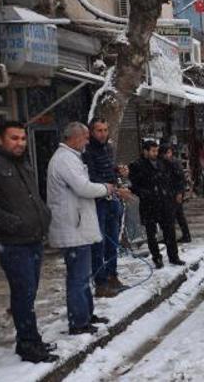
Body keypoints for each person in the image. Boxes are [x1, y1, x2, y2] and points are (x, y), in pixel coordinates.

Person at [0, 121, 59, 363]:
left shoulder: (22, 163)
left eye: (22, 138)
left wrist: (43, 214)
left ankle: (31, 339)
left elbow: (32, 197)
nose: (20, 142)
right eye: (14, 138)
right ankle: (28, 344)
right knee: (23, 293)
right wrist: (12, 223)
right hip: (12, 243)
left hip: (33, 239)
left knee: (28, 294)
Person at [47, 122, 116, 335]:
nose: (88, 142)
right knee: (78, 277)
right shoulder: (65, 160)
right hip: (72, 227)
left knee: (82, 275)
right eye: (85, 138)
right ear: (75, 138)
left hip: (78, 226)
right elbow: (83, 187)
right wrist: (106, 188)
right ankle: (79, 322)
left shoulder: (71, 158)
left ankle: (86, 314)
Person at [82, 118, 132, 298]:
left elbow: (108, 170)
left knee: (113, 241)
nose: (103, 134)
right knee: (99, 243)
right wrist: (115, 189)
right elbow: (92, 178)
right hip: (98, 202)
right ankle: (100, 282)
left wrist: (118, 170)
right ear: (91, 132)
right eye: (99, 130)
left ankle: (112, 276)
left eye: (105, 130)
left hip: (112, 200)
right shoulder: (87, 151)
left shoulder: (108, 148)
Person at [129, 140, 185, 268]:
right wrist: (146, 193)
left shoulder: (163, 163)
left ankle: (173, 256)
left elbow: (177, 177)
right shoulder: (137, 165)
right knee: (151, 233)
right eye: (153, 151)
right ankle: (157, 257)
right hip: (149, 204)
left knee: (169, 230)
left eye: (156, 150)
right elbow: (134, 185)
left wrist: (177, 192)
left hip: (165, 202)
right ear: (145, 151)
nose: (155, 153)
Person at [159, 143, 191, 244]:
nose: (167, 155)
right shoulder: (163, 163)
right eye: (166, 153)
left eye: (169, 152)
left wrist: (179, 193)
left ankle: (181, 236)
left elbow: (180, 178)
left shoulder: (173, 163)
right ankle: (181, 235)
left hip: (174, 192)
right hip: (169, 193)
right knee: (176, 215)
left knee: (175, 215)